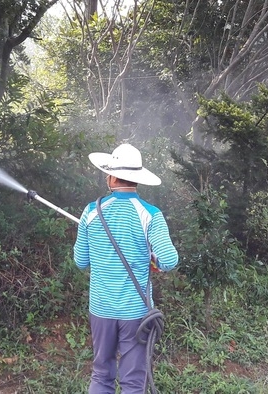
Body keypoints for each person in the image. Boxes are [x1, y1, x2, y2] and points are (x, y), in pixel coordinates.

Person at [74, 143, 178, 394]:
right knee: (132, 381)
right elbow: (169, 261)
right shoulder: (150, 215)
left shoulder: (91, 212)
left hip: (101, 309)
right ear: (136, 179)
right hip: (135, 313)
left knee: (101, 374)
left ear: (111, 177)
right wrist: (152, 257)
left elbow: (81, 261)